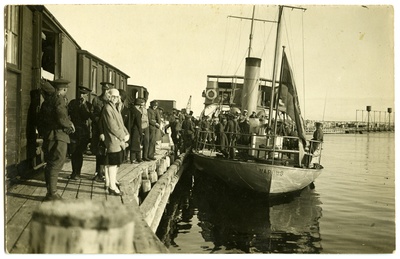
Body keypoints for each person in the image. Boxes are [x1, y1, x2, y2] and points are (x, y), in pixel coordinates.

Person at [39, 78, 75, 201]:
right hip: (59, 136)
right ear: (63, 89)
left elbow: (41, 121)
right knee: (56, 163)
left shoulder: (46, 102)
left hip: (48, 136)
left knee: (50, 163)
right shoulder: (59, 100)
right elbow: (61, 117)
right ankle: (52, 193)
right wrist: (70, 125)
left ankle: (50, 191)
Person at [99, 88, 130, 196]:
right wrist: (123, 136)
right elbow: (112, 126)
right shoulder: (108, 108)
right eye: (115, 97)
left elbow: (120, 124)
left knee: (114, 163)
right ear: (110, 97)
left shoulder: (114, 108)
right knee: (112, 163)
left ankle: (111, 184)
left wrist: (126, 133)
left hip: (116, 139)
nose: (117, 99)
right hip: (113, 139)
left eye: (118, 97)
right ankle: (112, 187)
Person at [67, 86, 92, 180]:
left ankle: (78, 173)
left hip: (83, 132)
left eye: (84, 94)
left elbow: (86, 117)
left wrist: (84, 106)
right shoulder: (72, 103)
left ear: (87, 95)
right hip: (73, 131)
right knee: (73, 153)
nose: (82, 95)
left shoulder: (88, 105)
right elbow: (67, 114)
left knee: (80, 153)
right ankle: (74, 172)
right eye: (80, 93)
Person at [90, 81, 112, 182]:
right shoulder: (96, 100)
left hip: (108, 130)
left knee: (107, 152)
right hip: (97, 129)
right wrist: (96, 120)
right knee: (99, 151)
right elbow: (92, 113)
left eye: (107, 90)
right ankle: (98, 172)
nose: (105, 91)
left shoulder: (111, 102)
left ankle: (104, 173)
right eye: (104, 89)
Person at [129, 98, 144, 163]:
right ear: (139, 106)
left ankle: (133, 159)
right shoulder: (137, 113)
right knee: (136, 145)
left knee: (132, 144)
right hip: (135, 130)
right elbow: (139, 124)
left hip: (129, 129)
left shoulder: (129, 110)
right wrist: (141, 133)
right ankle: (136, 159)